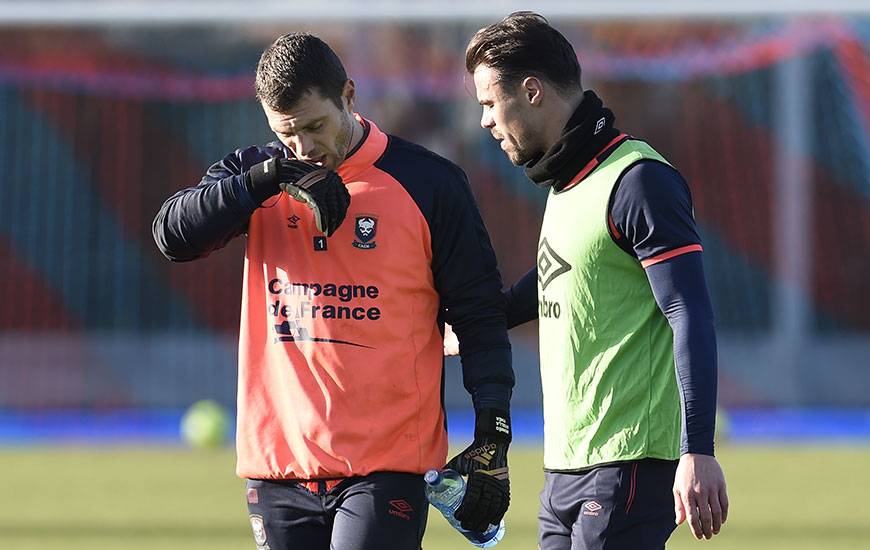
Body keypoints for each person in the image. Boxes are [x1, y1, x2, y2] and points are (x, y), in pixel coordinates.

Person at [152, 32, 513, 550]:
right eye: (286, 133)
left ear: (348, 95)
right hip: (278, 467)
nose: (304, 147)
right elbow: (172, 236)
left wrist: (492, 436)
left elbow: (480, 316)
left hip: (385, 467)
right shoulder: (258, 178)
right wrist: (267, 179)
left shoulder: (429, 182)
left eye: (315, 127)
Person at [460, 11, 730, 549]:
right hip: (566, 466)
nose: (485, 121)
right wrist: (463, 323)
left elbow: (689, 310)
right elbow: (555, 279)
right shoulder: (566, 184)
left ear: (532, 91)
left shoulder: (638, 180)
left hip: (627, 463)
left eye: (490, 103)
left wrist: (697, 449)